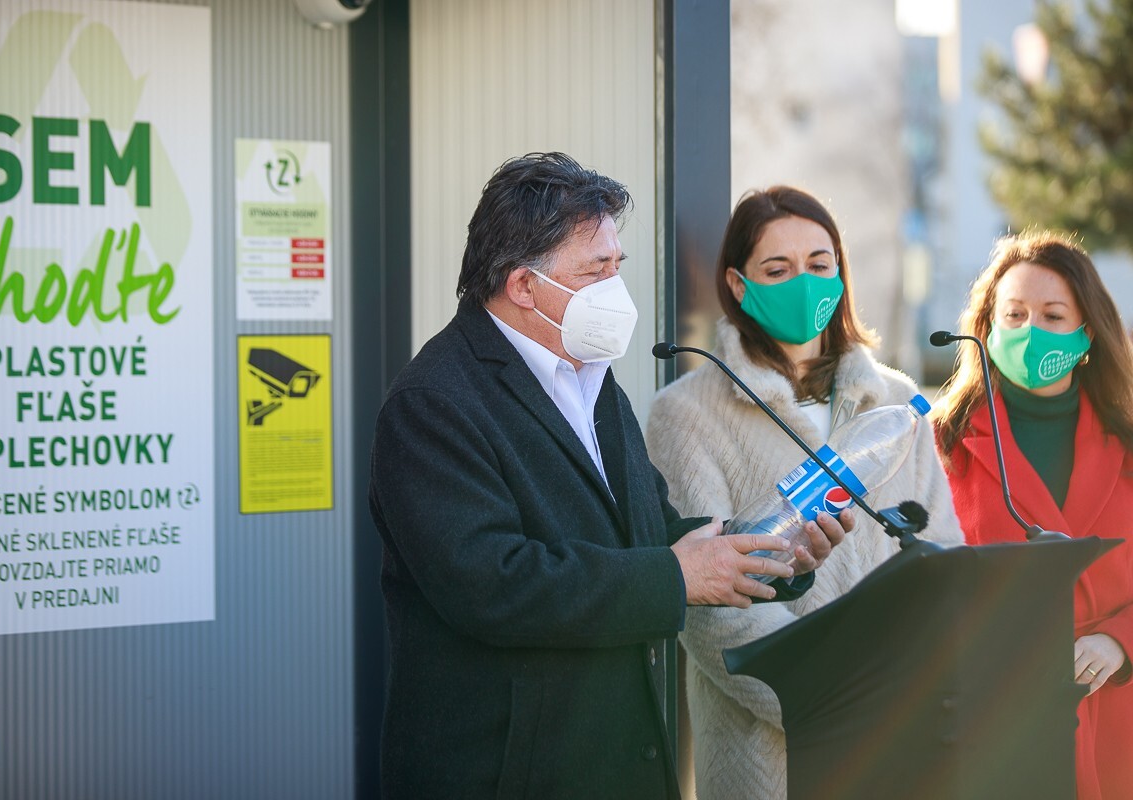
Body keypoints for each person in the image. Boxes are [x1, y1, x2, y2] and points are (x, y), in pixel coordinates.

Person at [368, 154, 851, 799]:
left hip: (619, 761)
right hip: (503, 773)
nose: (614, 290)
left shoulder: (591, 378)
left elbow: (650, 528)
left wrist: (770, 546)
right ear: (522, 285)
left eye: (616, 267)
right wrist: (677, 575)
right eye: (595, 272)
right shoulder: (433, 401)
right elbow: (491, 584)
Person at [646, 185, 963, 800]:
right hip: (769, 758)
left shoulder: (898, 404)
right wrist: (832, 701)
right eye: (778, 269)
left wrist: (910, 692)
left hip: (899, 739)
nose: (805, 283)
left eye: (820, 265)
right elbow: (705, 607)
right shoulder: (684, 416)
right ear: (739, 286)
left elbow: (942, 556)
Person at [931, 230, 1133, 800]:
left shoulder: (1129, 445)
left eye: (1052, 315)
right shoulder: (940, 445)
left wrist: (1120, 641)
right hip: (987, 724)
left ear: (1086, 332)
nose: (1030, 331)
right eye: (1014, 315)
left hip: (1115, 725)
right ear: (987, 327)